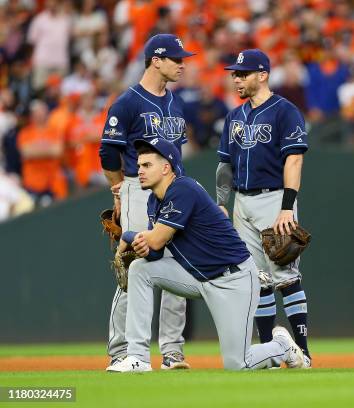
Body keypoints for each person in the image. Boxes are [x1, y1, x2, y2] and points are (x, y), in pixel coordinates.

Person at [107, 137, 307, 372]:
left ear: (165, 168)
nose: (139, 170)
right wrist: (143, 250)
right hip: (198, 278)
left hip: (234, 279)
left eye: (146, 165)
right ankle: (138, 357)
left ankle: (282, 346)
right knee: (141, 269)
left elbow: (157, 238)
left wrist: (128, 237)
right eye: (139, 165)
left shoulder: (183, 188)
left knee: (238, 363)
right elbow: (155, 252)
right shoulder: (154, 201)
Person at [98, 33, 194, 371]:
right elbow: (108, 151)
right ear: (156, 59)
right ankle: (121, 349)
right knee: (134, 266)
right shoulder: (128, 102)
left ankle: (172, 351)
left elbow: (177, 151)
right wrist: (118, 189)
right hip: (136, 189)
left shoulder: (176, 102)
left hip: (174, 191)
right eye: (175, 58)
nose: (182, 64)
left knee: (177, 268)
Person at [216, 49, 311, 367]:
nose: (237, 79)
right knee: (258, 280)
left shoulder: (284, 111)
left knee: (285, 273)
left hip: (274, 199)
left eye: (243, 73)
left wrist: (287, 207)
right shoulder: (233, 117)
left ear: (263, 75)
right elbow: (224, 166)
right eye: (235, 74)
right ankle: (271, 351)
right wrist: (221, 203)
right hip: (242, 201)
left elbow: (294, 159)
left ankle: (304, 351)